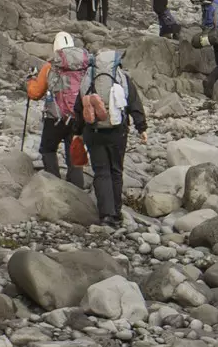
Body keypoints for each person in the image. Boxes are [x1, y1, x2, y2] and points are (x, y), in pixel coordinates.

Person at [80, 47, 148, 227]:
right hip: (117, 131)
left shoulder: (88, 77)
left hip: (94, 130)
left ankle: (105, 215)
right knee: (116, 171)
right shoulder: (122, 77)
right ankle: (116, 213)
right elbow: (134, 103)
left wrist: (76, 131)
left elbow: (79, 105)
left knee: (101, 172)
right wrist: (142, 127)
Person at [26, 31, 93, 183]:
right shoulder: (85, 66)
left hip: (55, 117)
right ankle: (76, 188)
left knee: (47, 149)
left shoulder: (51, 66)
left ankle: (54, 183)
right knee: (74, 151)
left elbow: (35, 93)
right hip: (78, 117)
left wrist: (30, 80)